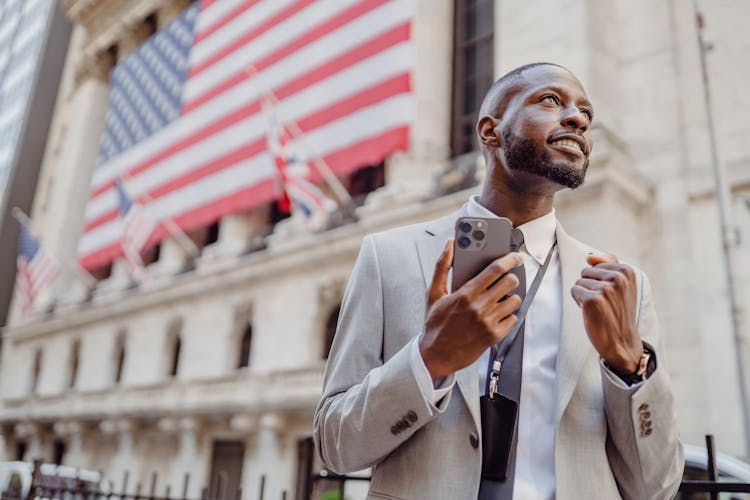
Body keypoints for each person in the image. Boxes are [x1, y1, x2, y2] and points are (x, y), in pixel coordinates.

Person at [313, 62, 684, 500]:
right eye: (550, 100)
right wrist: (428, 360)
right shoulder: (388, 257)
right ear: (490, 131)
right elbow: (334, 448)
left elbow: (657, 487)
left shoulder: (621, 286)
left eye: (586, 114)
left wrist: (630, 366)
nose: (578, 119)